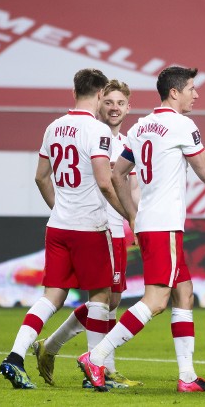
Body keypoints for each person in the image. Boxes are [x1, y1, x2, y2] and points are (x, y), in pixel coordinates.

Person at [76, 66, 205, 392]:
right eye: (191, 88)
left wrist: (133, 216)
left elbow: (119, 174)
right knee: (157, 300)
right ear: (174, 92)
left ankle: (187, 377)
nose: (196, 94)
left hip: (150, 223)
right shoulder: (181, 125)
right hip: (164, 226)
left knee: (184, 294)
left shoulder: (142, 125)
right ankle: (96, 355)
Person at [0, 68, 134, 389]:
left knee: (51, 298)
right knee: (101, 296)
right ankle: (94, 373)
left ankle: (15, 357)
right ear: (100, 94)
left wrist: (60, 208)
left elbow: (40, 177)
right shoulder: (97, 131)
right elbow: (105, 182)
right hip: (90, 228)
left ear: (74, 92)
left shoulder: (54, 127)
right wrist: (131, 216)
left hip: (58, 226)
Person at [31, 79, 142, 389]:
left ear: (128, 107)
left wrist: (134, 220)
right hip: (94, 227)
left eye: (121, 103)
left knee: (111, 299)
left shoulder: (125, 143)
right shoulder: (91, 134)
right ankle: (101, 368)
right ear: (99, 101)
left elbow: (131, 187)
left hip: (115, 228)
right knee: (103, 298)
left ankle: (52, 346)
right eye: (109, 102)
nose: (114, 108)